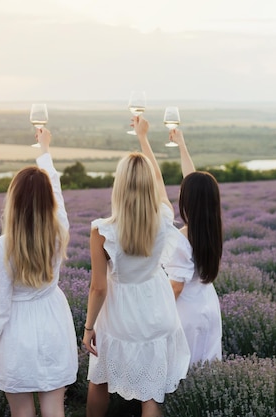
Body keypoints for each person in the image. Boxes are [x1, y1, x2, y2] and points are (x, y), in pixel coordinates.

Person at [83, 116, 190, 417]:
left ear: (119, 185)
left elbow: (98, 287)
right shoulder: (164, 217)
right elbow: (157, 181)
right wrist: (144, 140)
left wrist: (89, 327)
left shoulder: (103, 230)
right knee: (151, 395)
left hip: (118, 315)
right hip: (156, 309)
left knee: (99, 379)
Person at [0, 128, 78, 417]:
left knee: (21, 412)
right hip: (52, 320)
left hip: (15, 331)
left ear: (14, 201)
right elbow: (56, 191)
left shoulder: (2, 246)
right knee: (54, 408)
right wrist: (44, 151)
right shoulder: (60, 232)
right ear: (48, 203)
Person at [162, 129, 223, 366]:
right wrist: (181, 145)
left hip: (185, 310)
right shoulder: (211, 227)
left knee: (181, 370)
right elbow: (197, 182)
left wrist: (153, 308)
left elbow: (176, 287)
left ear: (188, 200)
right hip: (208, 304)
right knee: (207, 368)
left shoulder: (181, 238)